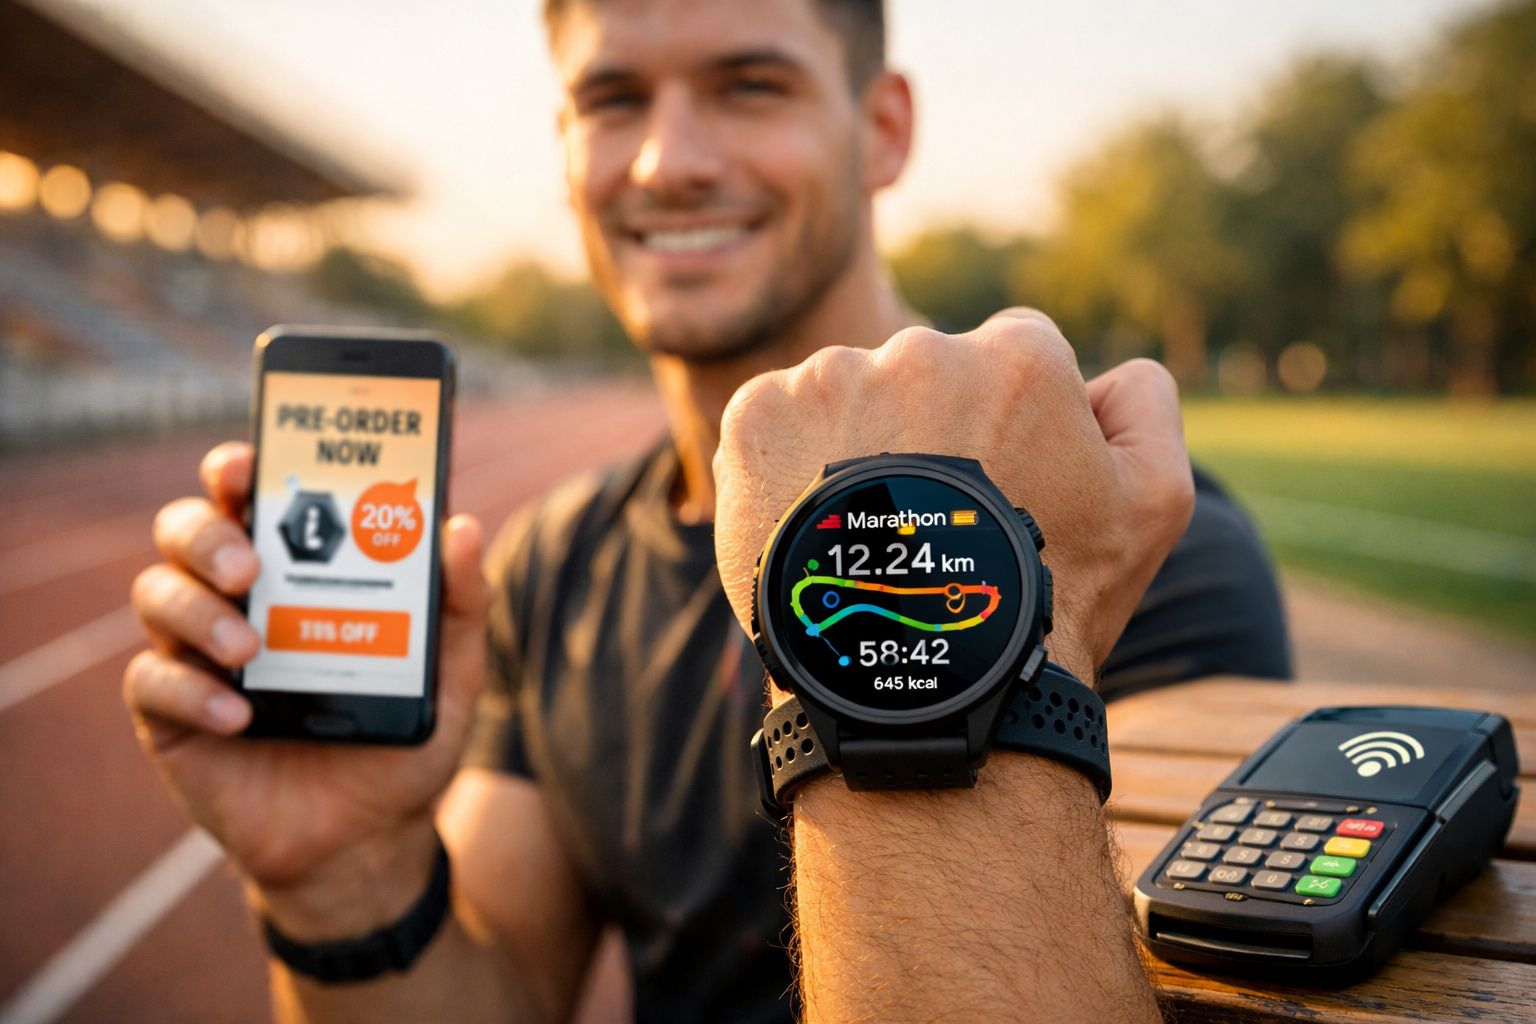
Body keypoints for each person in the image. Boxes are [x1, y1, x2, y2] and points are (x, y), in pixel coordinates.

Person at [124, 0, 1290, 1020]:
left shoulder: (1130, 543)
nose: (666, 162)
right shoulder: (549, 564)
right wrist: (344, 877)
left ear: (882, 128)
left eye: (749, 85)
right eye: (614, 99)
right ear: (567, 145)